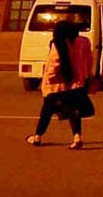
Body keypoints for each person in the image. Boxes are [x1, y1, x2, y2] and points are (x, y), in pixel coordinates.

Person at [27, 20, 93, 149]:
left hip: (56, 86)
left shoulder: (58, 44)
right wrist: (87, 76)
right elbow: (89, 59)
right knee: (74, 111)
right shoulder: (83, 42)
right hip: (75, 83)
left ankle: (37, 137)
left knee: (47, 111)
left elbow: (54, 64)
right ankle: (77, 137)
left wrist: (47, 80)